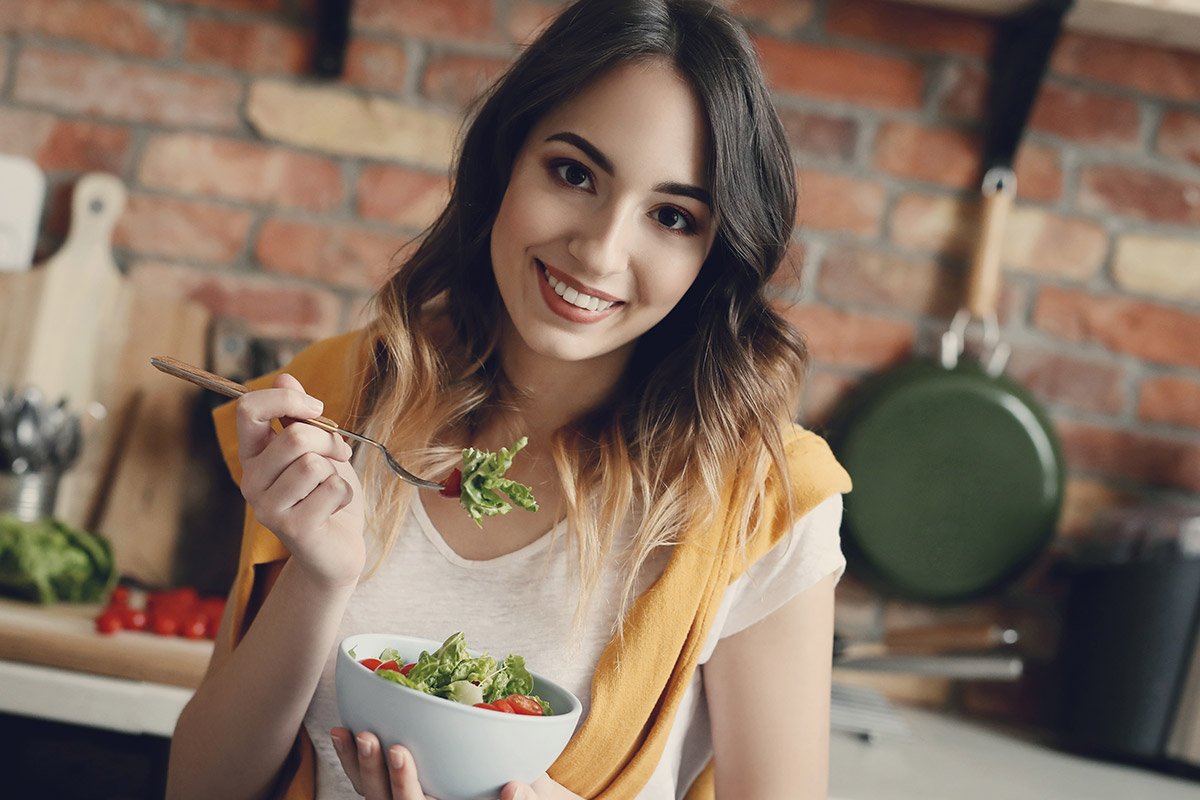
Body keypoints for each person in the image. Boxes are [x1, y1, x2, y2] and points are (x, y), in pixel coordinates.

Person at [166, 0, 852, 798]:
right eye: (574, 173)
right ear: (505, 162)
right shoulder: (339, 397)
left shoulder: (762, 496)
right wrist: (321, 576)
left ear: (715, 251)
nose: (599, 251)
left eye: (670, 216)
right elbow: (198, 789)